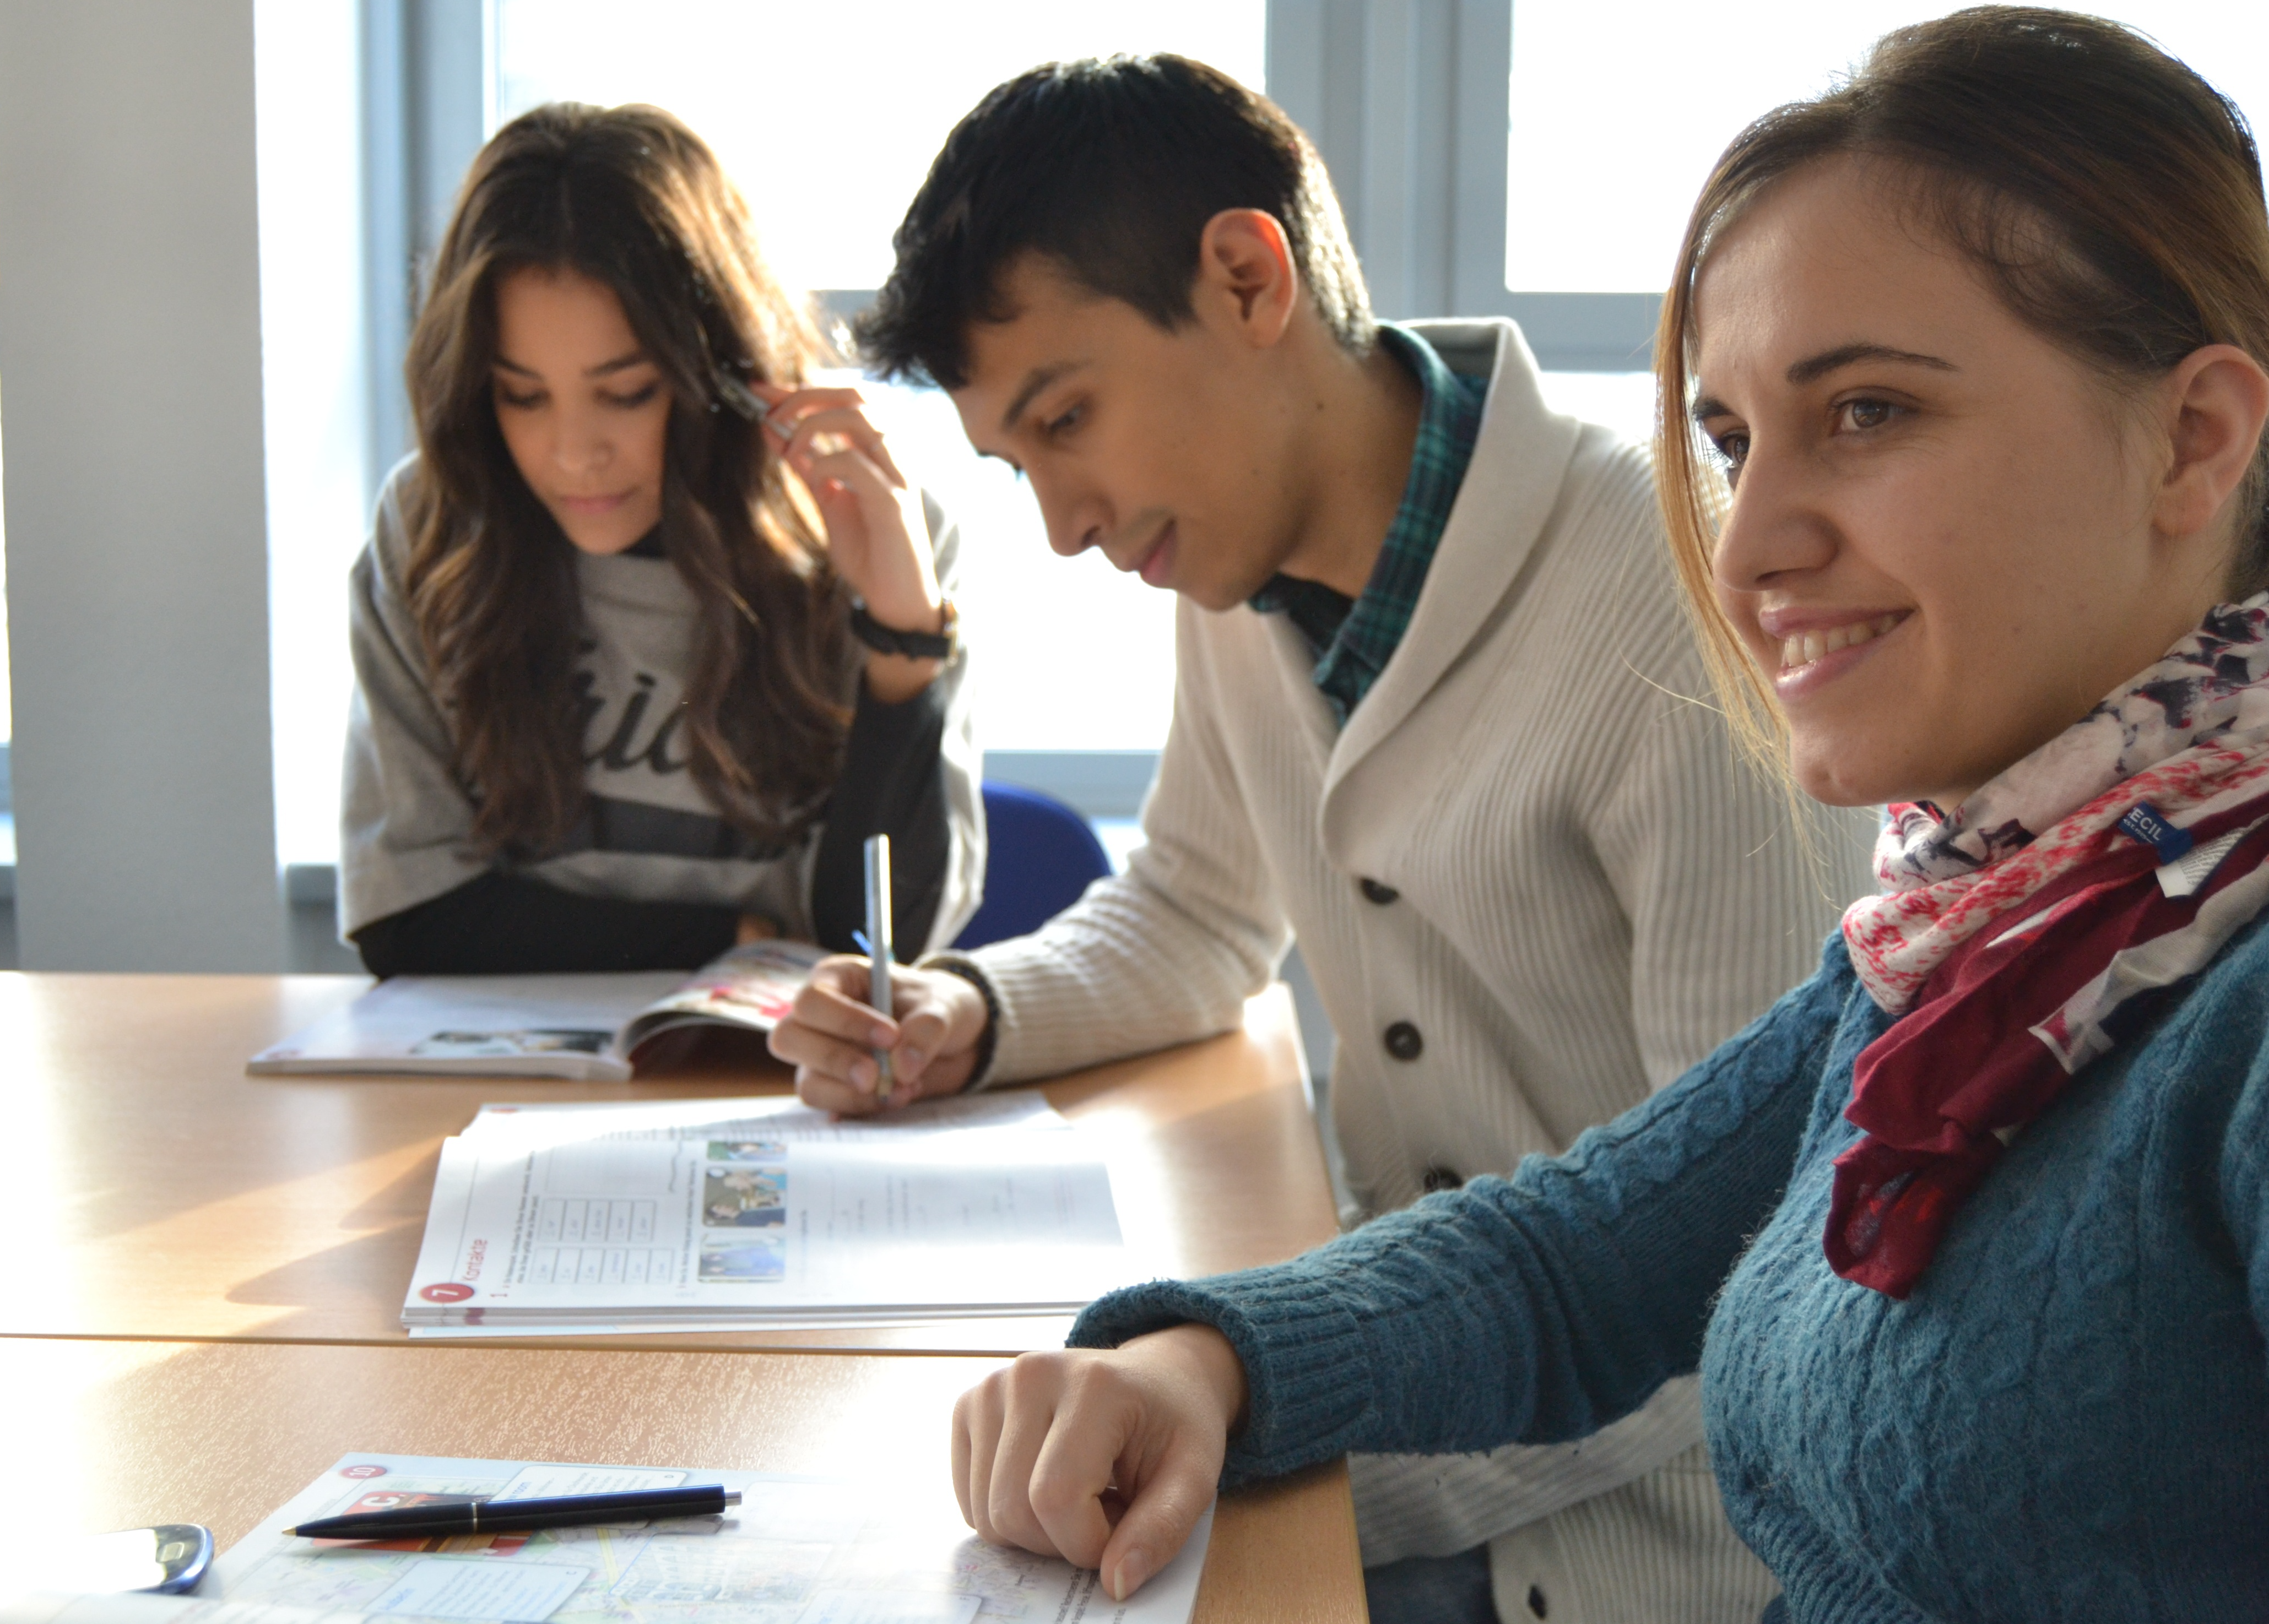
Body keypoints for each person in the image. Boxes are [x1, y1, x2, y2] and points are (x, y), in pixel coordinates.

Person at [943, 10, 2269, 1618]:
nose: (1749, 542)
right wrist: (1205, 1357)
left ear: (2195, 438)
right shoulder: (1989, 916)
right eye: (1729, 438)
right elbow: (1576, 1260)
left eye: (1868, 412)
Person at [766, 53, 1875, 1624]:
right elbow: (1197, 911)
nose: (1066, 525)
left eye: (1068, 419)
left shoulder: (1670, 592)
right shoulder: (1231, 570)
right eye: (1019, 468)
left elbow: (1738, 1267)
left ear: (1245, 274)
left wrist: (1279, 1450)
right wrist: (977, 1010)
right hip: (1388, 1391)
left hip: (1626, 1537)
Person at [339, 103, 983, 975]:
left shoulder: (866, 536)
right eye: (521, 396)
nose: (573, 454)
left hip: (777, 1086)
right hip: (499, 1086)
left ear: (719, 376)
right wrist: (734, 941)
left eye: (627, 392)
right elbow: (409, 920)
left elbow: (876, 948)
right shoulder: (433, 529)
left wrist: (903, 639)